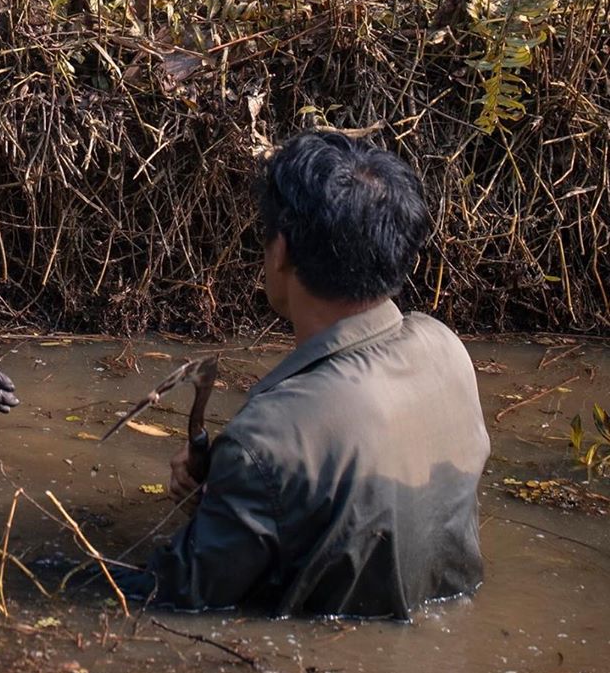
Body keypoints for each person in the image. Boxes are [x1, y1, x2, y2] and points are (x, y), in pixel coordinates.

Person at [117, 130, 490, 619]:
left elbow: (174, 598)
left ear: (281, 251)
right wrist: (228, 492)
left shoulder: (271, 439)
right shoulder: (446, 348)